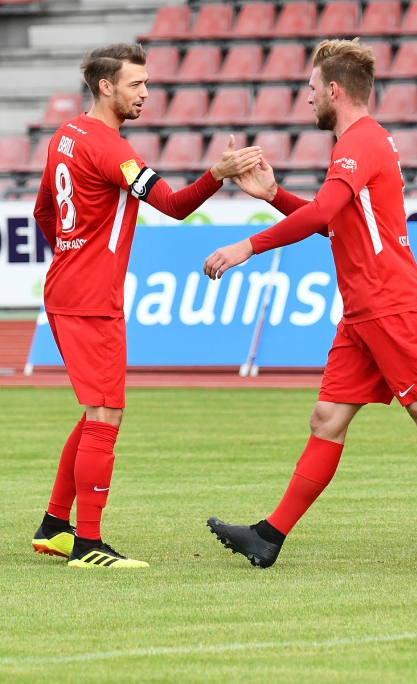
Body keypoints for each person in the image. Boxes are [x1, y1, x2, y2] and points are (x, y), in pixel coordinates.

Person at [201, 39, 417, 570]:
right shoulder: (361, 143)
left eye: (311, 89)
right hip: (363, 310)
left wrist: (247, 246)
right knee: (327, 417)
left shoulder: (360, 142)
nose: (307, 98)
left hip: (388, 304)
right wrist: (275, 195)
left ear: (334, 90)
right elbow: (336, 222)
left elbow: (324, 211)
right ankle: (268, 537)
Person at [28, 43, 262, 569]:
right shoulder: (113, 150)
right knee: (106, 412)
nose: (145, 94)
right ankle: (89, 545)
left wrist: (71, 254)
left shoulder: (65, 135)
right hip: (92, 299)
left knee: (95, 410)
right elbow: (174, 205)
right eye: (136, 84)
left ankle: (55, 525)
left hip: (66, 287)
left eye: (147, 83)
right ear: (106, 86)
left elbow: (44, 209)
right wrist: (218, 172)